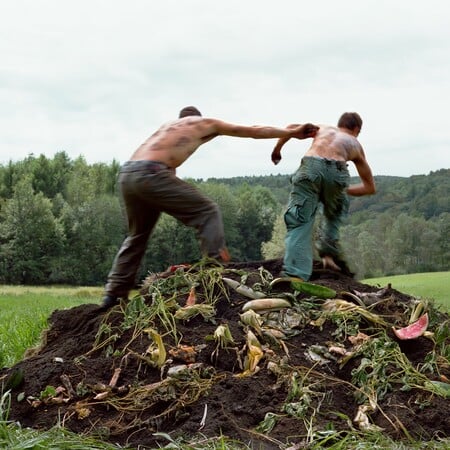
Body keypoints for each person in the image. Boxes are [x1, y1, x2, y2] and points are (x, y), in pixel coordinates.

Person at [101, 106, 319, 308]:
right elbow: (253, 130)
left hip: (128, 175)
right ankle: (213, 271)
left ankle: (113, 293)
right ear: (195, 117)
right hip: (152, 173)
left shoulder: (166, 129)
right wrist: (292, 132)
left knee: (137, 236)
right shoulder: (202, 123)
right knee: (207, 211)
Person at [271, 112, 376, 281]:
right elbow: (369, 187)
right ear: (356, 129)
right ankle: (328, 253)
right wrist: (340, 192)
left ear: (340, 124)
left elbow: (291, 128)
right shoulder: (355, 144)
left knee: (299, 220)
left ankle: (295, 274)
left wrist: (277, 150)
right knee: (335, 210)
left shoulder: (323, 128)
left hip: (310, 166)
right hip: (337, 171)